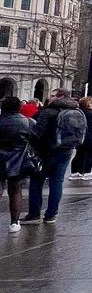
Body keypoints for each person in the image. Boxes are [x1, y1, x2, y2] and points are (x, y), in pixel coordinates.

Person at [24, 89, 86, 224]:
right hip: (67, 150)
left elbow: (37, 132)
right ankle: (51, 214)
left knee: (36, 181)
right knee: (57, 182)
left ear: (60, 97)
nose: (49, 97)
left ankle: (34, 214)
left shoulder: (48, 111)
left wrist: (31, 143)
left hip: (46, 150)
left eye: (52, 95)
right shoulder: (76, 110)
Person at [0, 95, 35, 233]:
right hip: (19, 159)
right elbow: (36, 139)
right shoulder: (28, 122)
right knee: (15, 190)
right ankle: (14, 222)